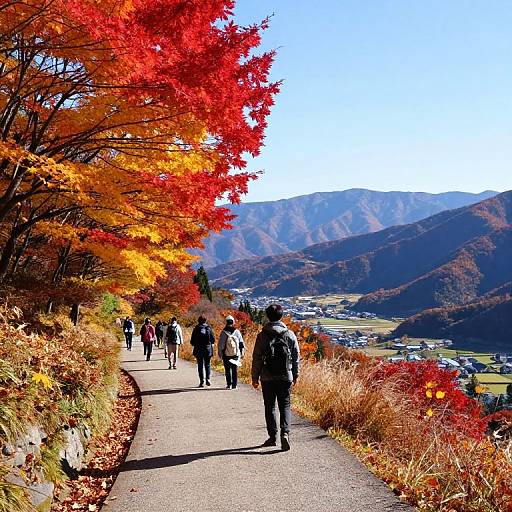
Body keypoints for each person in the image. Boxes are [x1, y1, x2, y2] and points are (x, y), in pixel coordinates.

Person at [251, 304, 300, 452]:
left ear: (268, 316)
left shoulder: (262, 335)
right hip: (286, 375)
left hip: (267, 376)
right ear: (281, 316)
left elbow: (257, 358)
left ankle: (272, 437)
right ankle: (285, 433)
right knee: (285, 405)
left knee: (270, 406)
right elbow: (296, 357)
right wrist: (296, 374)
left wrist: (255, 377)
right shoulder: (289, 334)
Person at [218, 315, 245, 389]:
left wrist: (220, 354)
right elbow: (241, 343)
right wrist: (242, 353)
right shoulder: (237, 332)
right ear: (233, 322)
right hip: (235, 354)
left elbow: (221, 345)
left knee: (227, 370)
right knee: (234, 369)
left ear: (226, 322)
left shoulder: (223, 332)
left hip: (226, 354)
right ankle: (234, 385)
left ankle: (229, 384)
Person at [190, 315, 215, 387]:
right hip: (207, 349)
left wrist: (195, 344)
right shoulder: (208, 328)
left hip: (198, 350)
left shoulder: (196, 328)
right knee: (207, 365)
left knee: (200, 365)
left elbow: (192, 341)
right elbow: (213, 340)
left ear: (198, 321)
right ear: (205, 321)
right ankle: (208, 379)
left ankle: (202, 381)